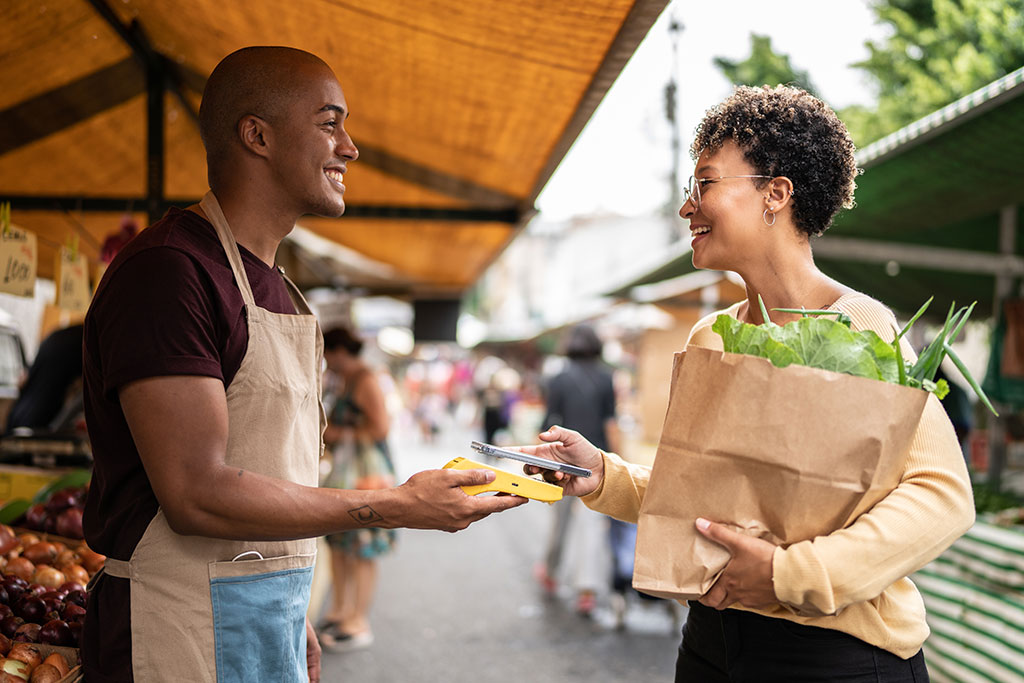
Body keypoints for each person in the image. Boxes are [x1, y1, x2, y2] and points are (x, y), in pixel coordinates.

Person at [81, 46, 526, 683]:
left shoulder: (280, 290)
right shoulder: (169, 272)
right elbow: (196, 494)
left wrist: (292, 609)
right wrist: (397, 505)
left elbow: (265, 471)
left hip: (266, 610)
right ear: (256, 135)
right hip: (173, 628)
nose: (350, 147)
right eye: (329, 122)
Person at [519, 85, 974, 681]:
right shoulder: (710, 338)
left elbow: (941, 495)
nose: (688, 207)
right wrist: (603, 475)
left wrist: (792, 575)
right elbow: (704, 501)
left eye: (704, 184)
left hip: (837, 656)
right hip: (712, 641)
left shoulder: (860, 325)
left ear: (775, 194)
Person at [318, 325, 396, 651]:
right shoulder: (347, 379)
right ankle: (341, 610)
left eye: (327, 355)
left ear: (338, 352)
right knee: (339, 542)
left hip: (366, 471)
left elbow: (381, 429)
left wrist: (338, 435)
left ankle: (358, 619)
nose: (326, 362)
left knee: (362, 545)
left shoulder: (365, 380)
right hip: (347, 470)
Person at [534, 325, 617, 616]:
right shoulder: (607, 377)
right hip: (599, 460)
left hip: (563, 462)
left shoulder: (558, 378)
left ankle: (550, 572)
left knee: (560, 521)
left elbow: (546, 423)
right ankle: (586, 590)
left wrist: (539, 462)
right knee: (592, 526)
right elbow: (610, 423)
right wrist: (620, 460)